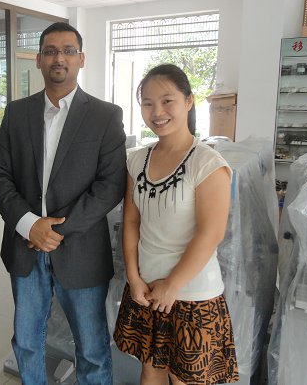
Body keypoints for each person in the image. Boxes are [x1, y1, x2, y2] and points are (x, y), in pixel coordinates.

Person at [0, 22, 126, 385]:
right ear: (38, 60)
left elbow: (110, 186)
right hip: (25, 248)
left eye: (67, 51)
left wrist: (55, 231)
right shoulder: (17, 113)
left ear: (81, 59)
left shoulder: (105, 115)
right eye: (50, 51)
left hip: (81, 249)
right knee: (27, 343)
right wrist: (28, 224)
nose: (58, 58)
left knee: (92, 348)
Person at [113, 64, 239, 385]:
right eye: (147, 103)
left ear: (188, 101)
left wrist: (172, 285)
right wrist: (133, 278)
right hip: (146, 289)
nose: (157, 112)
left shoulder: (207, 163)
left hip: (192, 293)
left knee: (186, 380)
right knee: (150, 370)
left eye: (167, 101)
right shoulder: (136, 160)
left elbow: (211, 233)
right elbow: (131, 220)